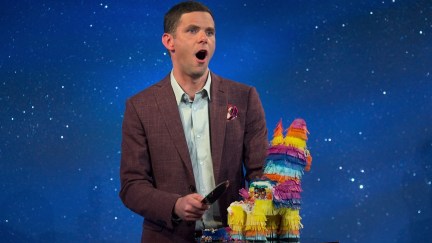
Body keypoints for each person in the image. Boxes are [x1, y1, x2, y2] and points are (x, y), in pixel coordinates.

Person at [119, 1, 268, 242]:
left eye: (209, 32)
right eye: (192, 30)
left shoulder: (244, 97)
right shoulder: (140, 107)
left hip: (235, 236)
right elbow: (132, 186)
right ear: (169, 42)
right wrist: (175, 205)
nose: (203, 38)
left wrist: (270, 197)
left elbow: (260, 171)